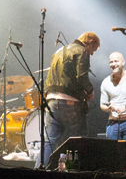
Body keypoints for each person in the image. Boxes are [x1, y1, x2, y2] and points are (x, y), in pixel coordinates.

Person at [42, 32, 100, 167]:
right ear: (90, 42)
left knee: (49, 142)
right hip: (69, 102)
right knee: (77, 141)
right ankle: (74, 175)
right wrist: (90, 91)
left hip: (51, 101)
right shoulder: (82, 50)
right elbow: (82, 76)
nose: (91, 53)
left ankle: (39, 173)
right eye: (93, 49)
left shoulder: (58, 51)